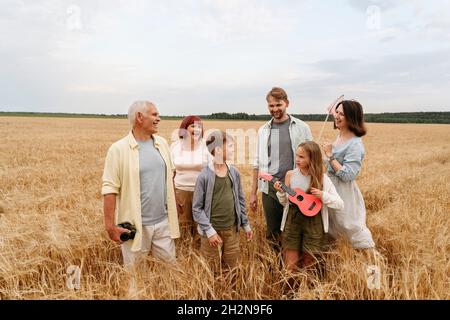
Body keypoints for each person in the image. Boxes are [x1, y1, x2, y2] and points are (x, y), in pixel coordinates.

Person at [102, 101, 180, 268]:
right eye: (154, 115)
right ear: (139, 117)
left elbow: (170, 176)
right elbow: (109, 189)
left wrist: (175, 203)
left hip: (163, 222)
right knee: (135, 276)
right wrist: (110, 226)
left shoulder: (162, 143)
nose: (159, 119)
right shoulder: (118, 149)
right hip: (135, 226)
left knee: (170, 271)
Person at [250, 87, 313, 251]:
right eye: (271, 106)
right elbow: (257, 163)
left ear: (287, 103)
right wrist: (252, 193)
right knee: (273, 231)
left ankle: (292, 267)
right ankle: (274, 267)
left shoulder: (301, 127)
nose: (275, 109)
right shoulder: (263, 131)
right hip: (270, 187)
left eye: (278, 105)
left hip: (295, 187)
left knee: (293, 230)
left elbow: (313, 158)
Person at [273, 141, 344, 273]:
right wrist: (281, 192)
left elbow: (340, 204)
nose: (297, 160)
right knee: (290, 266)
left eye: (301, 157)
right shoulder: (290, 175)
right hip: (292, 223)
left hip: (314, 225)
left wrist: (323, 196)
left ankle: (306, 293)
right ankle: (289, 292)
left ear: (312, 158)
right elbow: (285, 204)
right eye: (297, 156)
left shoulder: (321, 178)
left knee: (309, 266)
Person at [192, 130, 253, 272]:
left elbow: (240, 200)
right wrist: (209, 231)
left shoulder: (234, 172)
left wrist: (245, 224)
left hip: (232, 230)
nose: (233, 150)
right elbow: (197, 208)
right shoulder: (204, 176)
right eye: (230, 146)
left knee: (232, 269)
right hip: (211, 232)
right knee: (211, 269)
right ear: (218, 150)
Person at [321, 100, 375, 249]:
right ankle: (340, 262)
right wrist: (334, 107)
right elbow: (331, 109)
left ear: (351, 118)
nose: (336, 116)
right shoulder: (340, 135)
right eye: (336, 112)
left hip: (344, 193)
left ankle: (372, 260)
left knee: (351, 226)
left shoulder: (355, 144)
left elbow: (348, 175)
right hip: (331, 189)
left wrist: (330, 156)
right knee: (332, 229)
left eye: (341, 114)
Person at [170, 116, 211, 246]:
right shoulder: (175, 146)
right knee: (183, 225)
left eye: (199, 126)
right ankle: (184, 255)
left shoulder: (206, 145)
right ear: (185, 128)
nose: (197, 129)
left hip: (202, 192)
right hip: (180, 191)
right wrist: (172, 195)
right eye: (193, 126)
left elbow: (213, 171)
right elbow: (170, 172)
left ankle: (199, 256)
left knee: (201, 225)